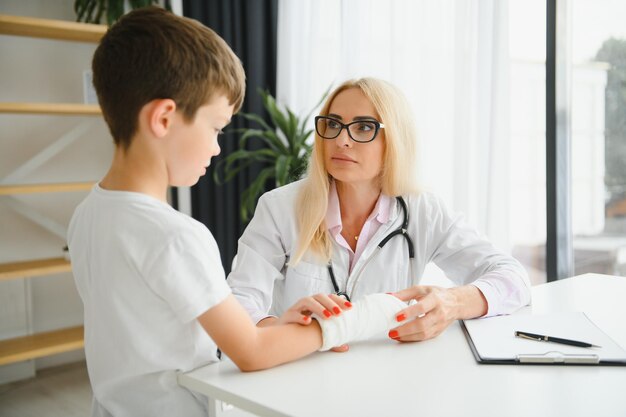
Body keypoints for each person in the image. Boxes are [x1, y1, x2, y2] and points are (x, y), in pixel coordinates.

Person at [67, 9, 404, 417]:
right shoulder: (175, 237)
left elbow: (164, 331)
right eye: (215, 128)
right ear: (164, 118)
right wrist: (363, 316)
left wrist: (279, 325)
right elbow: (251, 352)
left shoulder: (89, 212)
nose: (216, 147)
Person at [228, 77, 532, 349]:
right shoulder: (280, 207)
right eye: (332, 124)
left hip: (387, 378)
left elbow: (513, 279)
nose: (341, 140)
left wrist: (451, 303)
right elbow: (238, 301)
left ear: (395, 140)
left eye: (363, 127)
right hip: (300, 373)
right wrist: (282, 332)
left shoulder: (422, 210)